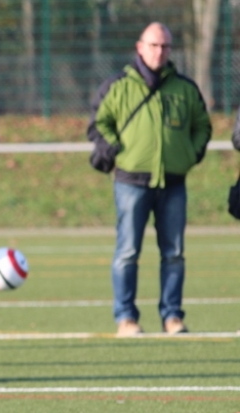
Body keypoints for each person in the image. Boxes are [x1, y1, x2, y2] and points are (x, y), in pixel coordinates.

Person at [88, 23, 211, 337]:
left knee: (174, 254)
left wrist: (190, 154)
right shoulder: (118, 86)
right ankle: (126, 318)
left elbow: (202, 126)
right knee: (128, 252)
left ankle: (172, 317)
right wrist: (114, 148)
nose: (160, 52)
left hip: (173, 182)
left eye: (166, 46)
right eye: (154, 45)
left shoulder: (184, 88)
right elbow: (99, 122)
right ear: (139, 47)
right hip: (131, 182)